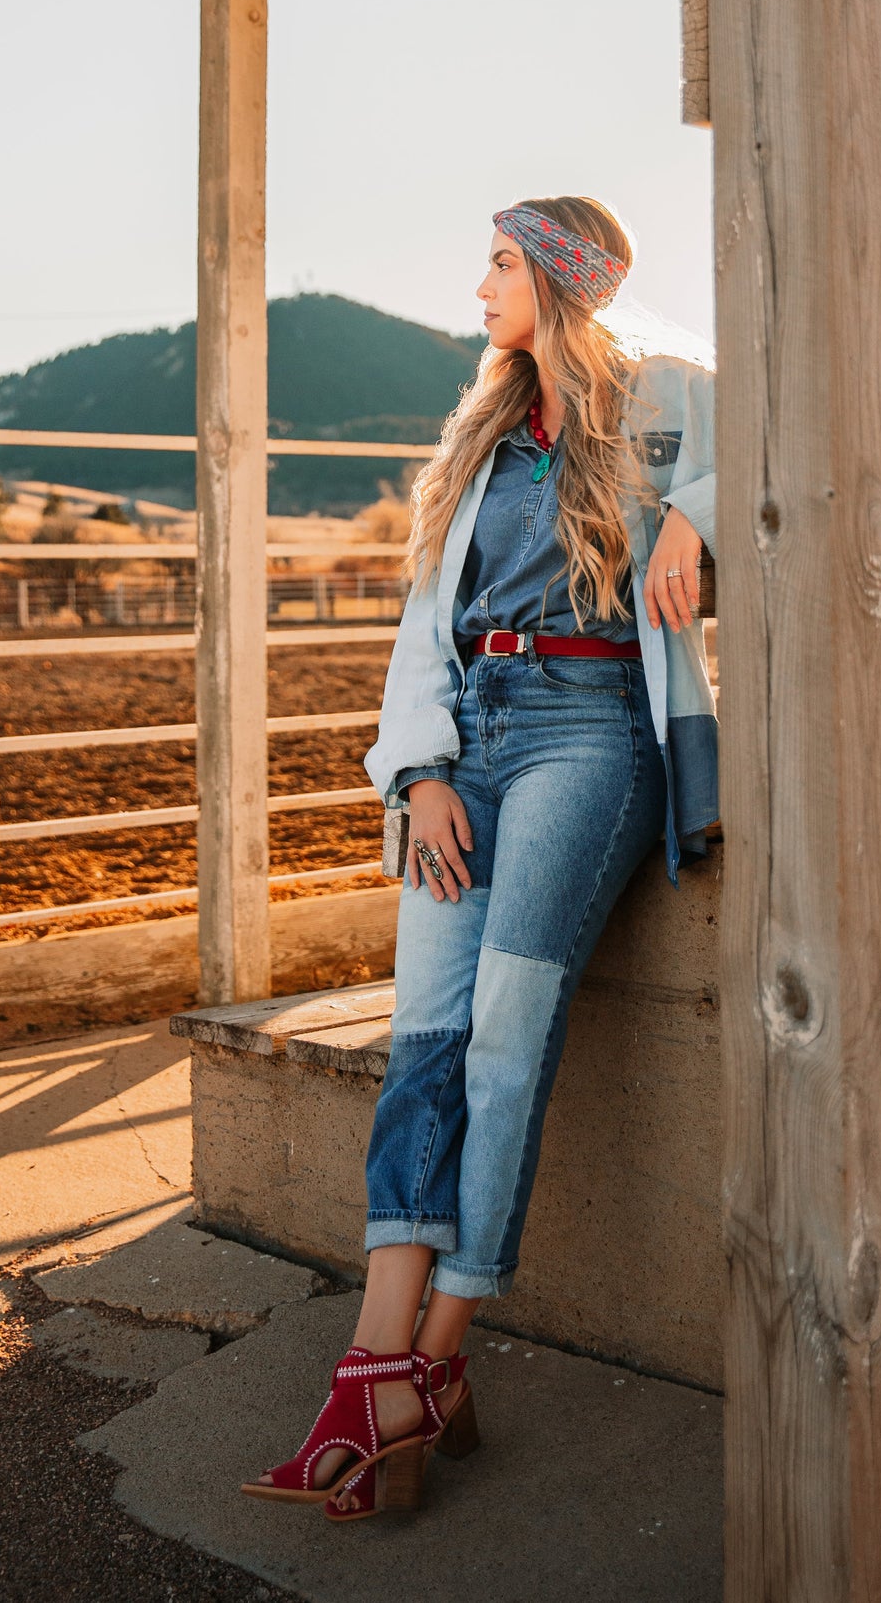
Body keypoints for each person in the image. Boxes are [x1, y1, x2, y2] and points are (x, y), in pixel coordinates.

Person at [243, 195, 717, 1522]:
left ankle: (427, 1357)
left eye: (502, 262)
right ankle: (381, 1360)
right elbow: (425, 629)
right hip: (471, 741)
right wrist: (421, 773)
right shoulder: (483, 435)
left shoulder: (665, 397)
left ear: (560, 275)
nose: (480, 286)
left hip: (591, 733)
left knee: (506, 1038)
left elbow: (780, 454)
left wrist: (695, 519)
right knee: (427, 1046)